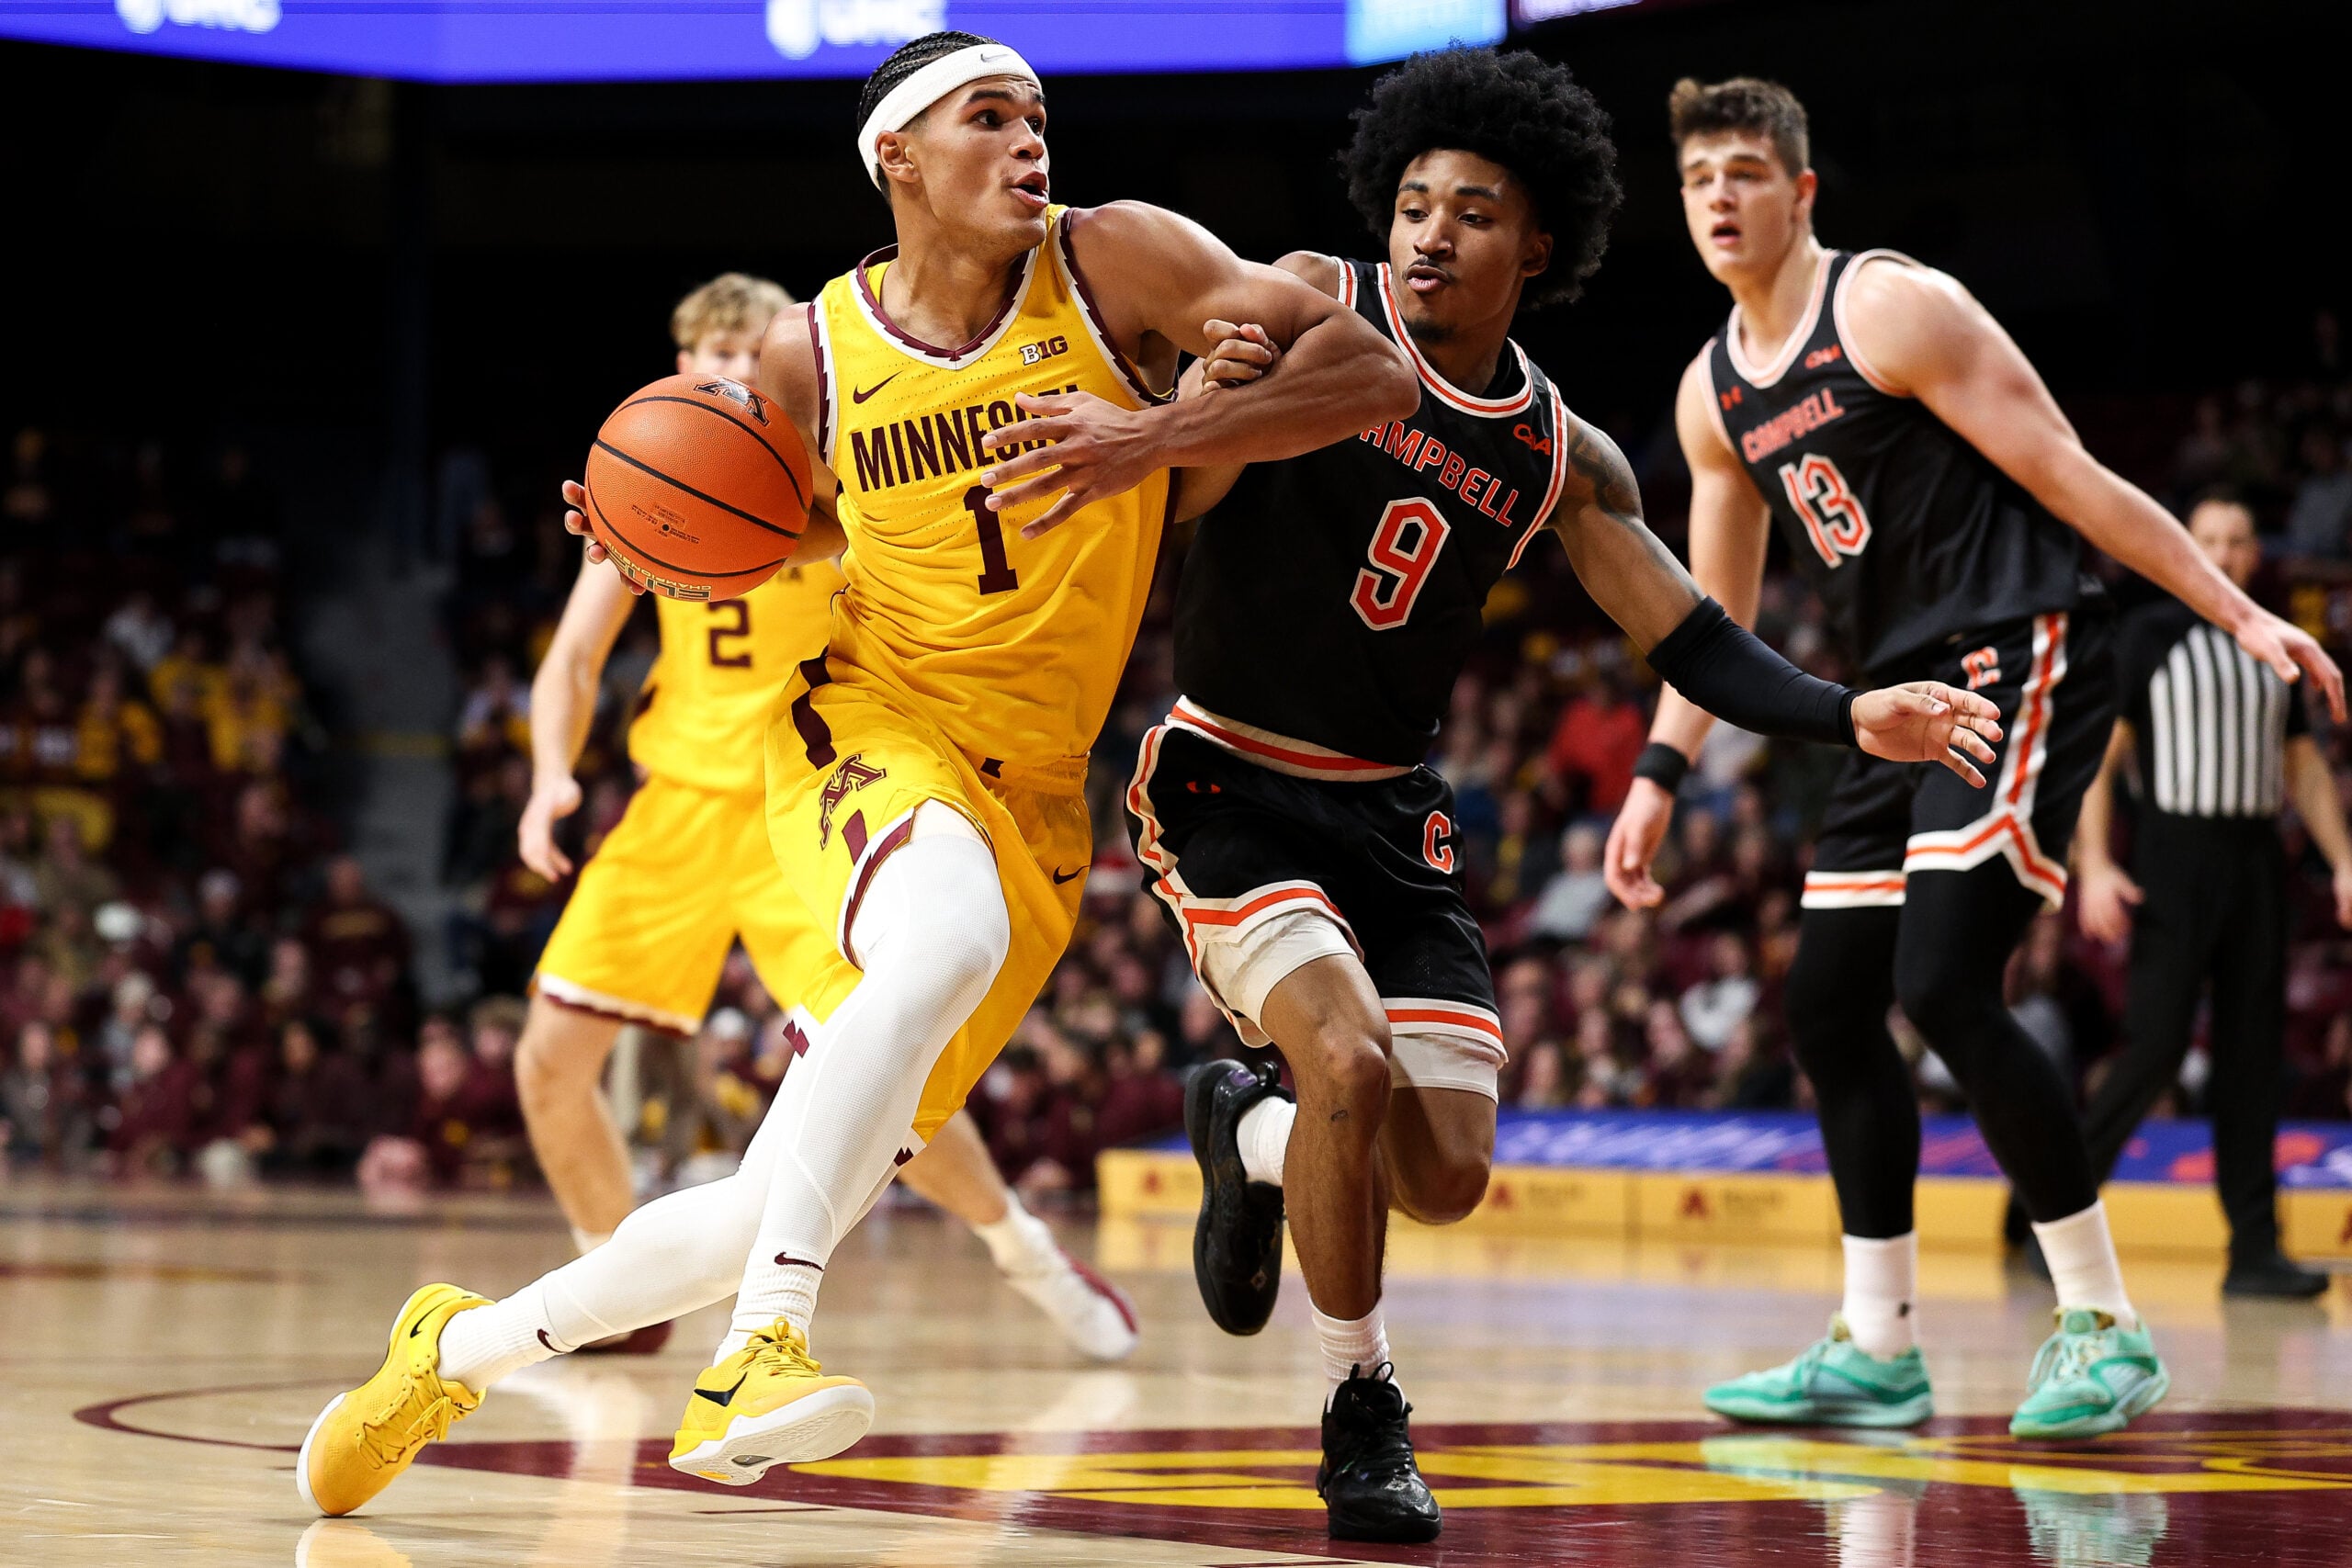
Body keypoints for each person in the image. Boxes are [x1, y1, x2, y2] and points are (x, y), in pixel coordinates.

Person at [298, 28, 1420, 1519]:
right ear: (898, 155)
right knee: (933, 940)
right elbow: (789, 530)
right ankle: (761, 1348)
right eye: (987, 118)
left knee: (769, 1199)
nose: (1031, 143)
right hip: (869, 716)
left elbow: (1371, 372)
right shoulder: (808, 352)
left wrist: (1155, 433)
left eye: (1037, 116)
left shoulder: (1119, 263)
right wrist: (657, 542)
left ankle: (458, 1346)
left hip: (1037, 795)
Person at [1149, 49, 2000, 1544]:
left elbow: (1689, 637)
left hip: (1391, 820)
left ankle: (1253, 1136)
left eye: (1471, 213)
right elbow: (1170, 512)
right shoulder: (1303, 305)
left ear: (1533, 248)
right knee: (1345, 1062)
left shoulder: (1558, 451)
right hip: (1230, 779)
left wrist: (1846, 712)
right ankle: (1362, 1408)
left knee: (1447, 1172)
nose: (1428, 235)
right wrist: (1201, 406)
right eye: (1412, 204)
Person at [1601, 78, 2344, 1439]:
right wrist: (1658, 773)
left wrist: (2236, 609)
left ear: (1804, 192)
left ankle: (2104, 1322)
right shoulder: (1711, 395)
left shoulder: (1890, 306)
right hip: (1894, 693)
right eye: (1702, 173)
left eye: (1749, 171)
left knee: (1941, 977)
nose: (1720, 196)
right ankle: (1878, 1346)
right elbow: (1708, 620)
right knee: (1828, 999)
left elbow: (2068, 470)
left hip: (2022, 640)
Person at [511, 271, 1138, 1362]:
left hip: (817, 792)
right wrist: (548, 778)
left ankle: (1021, 1248)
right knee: (547, 1061)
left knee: (883, 1064)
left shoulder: (849, 477)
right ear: (679, 373)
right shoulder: (662, 481)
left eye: (749, 360)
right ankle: (614, 1293)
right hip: (678, 806)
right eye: (707, 362)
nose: (728, 380)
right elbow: (572, 658)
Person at [2073, 492, 2352, 1298]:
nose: (2225, 554)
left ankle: (2254, 1250)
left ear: (2256, 552)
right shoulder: (2147, 634)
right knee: (2154, 1046)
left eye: (2238, 540)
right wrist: (2096, 864)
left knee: (2252, 1060)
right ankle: (2048, 1204)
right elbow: (2100, 759)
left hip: (2256, 859)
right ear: (2182, 547)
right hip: (2171, 855)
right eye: (2210, 540)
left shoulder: (2277, 644)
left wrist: (2341, 861)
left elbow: (2303, 765)